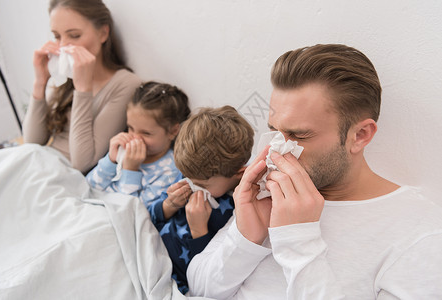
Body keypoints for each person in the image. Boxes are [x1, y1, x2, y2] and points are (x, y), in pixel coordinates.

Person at [186, 44, 442, 299]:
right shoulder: (268, 195)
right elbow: (199, 288)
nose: (277, 150)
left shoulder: (419, 233)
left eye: (298, 135)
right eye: (274, 130)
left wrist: (298, 242)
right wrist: (246, 239)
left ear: (360, 136)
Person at [23, 0, 141, 174]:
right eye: (57, 36)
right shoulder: (66, 78)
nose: (63, 46)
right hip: (41, 164)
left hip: (65, 175)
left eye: (74, 36)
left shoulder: (125, 84)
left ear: (103, 33)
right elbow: (32, 141)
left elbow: (82, 163)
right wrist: (40, 82)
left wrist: (82, 89)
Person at [150, 106, 254, 294]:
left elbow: (209, 271)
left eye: (202, 186)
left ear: (240, 172)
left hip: (177, 278)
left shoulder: (240, 208)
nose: (191, 186)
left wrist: (199, 231)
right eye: (187, 178)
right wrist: (169, 205)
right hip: (149, 248)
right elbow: (150, 218)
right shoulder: (193, 170)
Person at [86, 81, 190, 208]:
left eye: (146, 133)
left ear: (173, 131)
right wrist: (110, 160)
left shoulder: (169, 171)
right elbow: (89, 186)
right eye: (130, 128)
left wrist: (130, 171)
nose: (134, 138)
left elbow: (132, 213)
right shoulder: (123, 151)